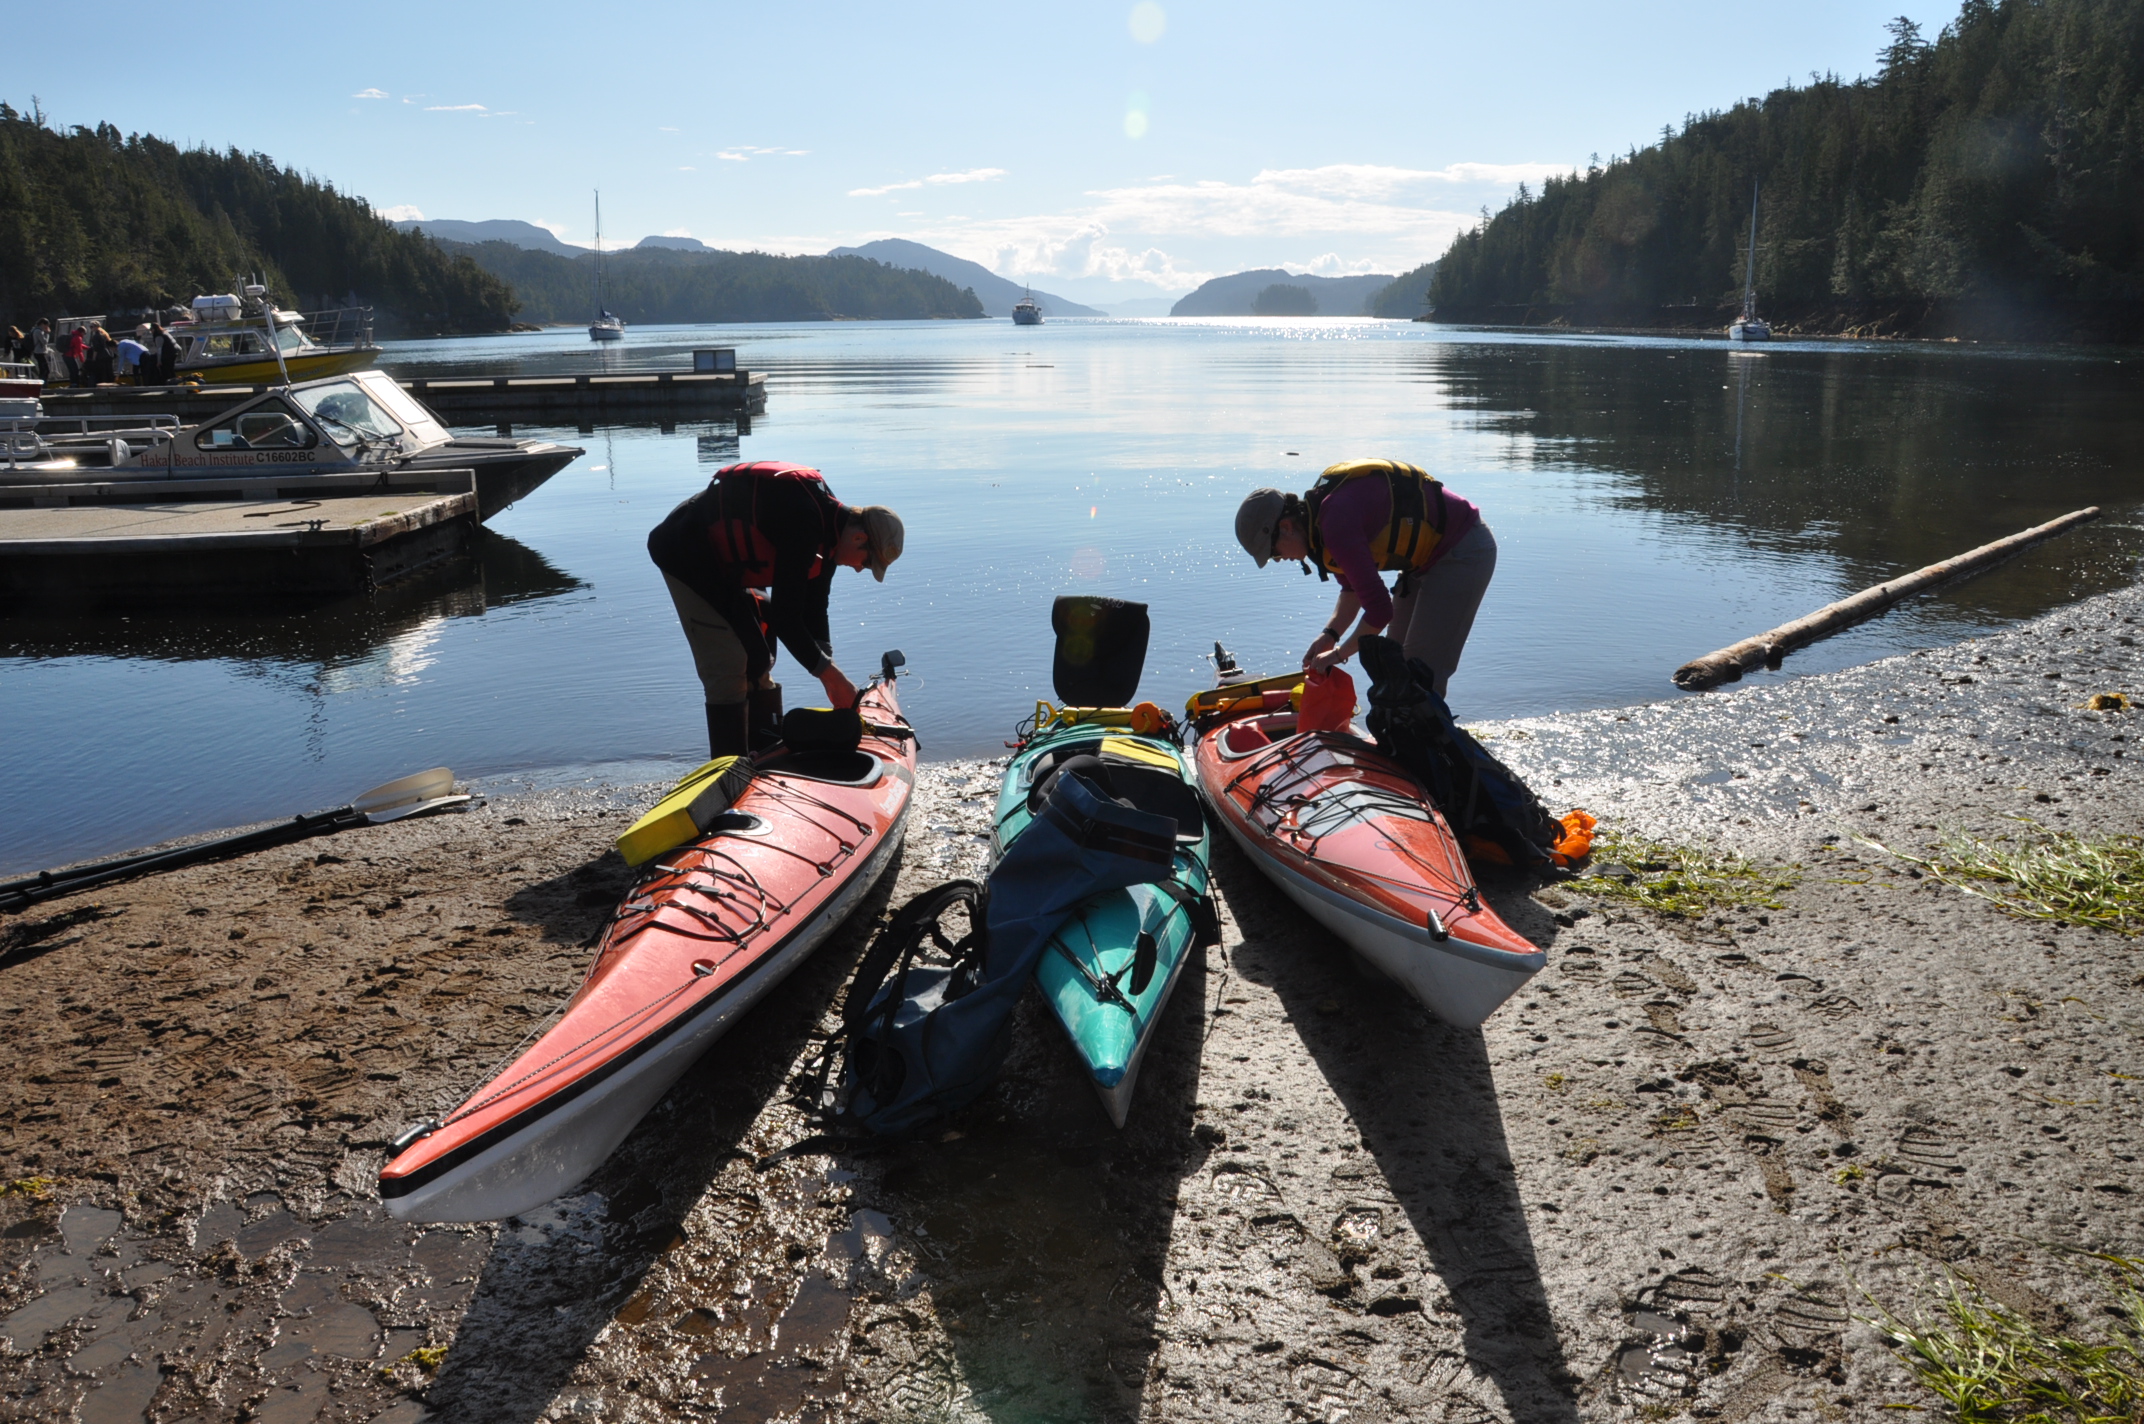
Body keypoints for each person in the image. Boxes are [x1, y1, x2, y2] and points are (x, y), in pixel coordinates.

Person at [647, 460, 905, 759]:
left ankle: (762, 751)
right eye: (867, 562)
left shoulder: (833, 528)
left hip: (732, 564)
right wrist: (830, 677)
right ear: (859, 538)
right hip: (684, 552)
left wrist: (827, 667)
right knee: (728, 663)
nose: (861, 570)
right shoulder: (806, 523)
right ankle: (728, 769)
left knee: (760, 657)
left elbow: (814, 608)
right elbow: (787, 618)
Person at [1234, 458, 1497, 699]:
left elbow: (1380, 611)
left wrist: (1336, 656)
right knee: (1392, 664)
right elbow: (1353, 590)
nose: (1278, 560)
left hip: (1462, 550)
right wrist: (1330, 635)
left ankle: (1427, 745)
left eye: (1273, 552)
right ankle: (1398, 742)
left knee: (1419, 675)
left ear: (1286, 527)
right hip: (1422, 563)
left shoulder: (1335, 522)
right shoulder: (1318, 529)